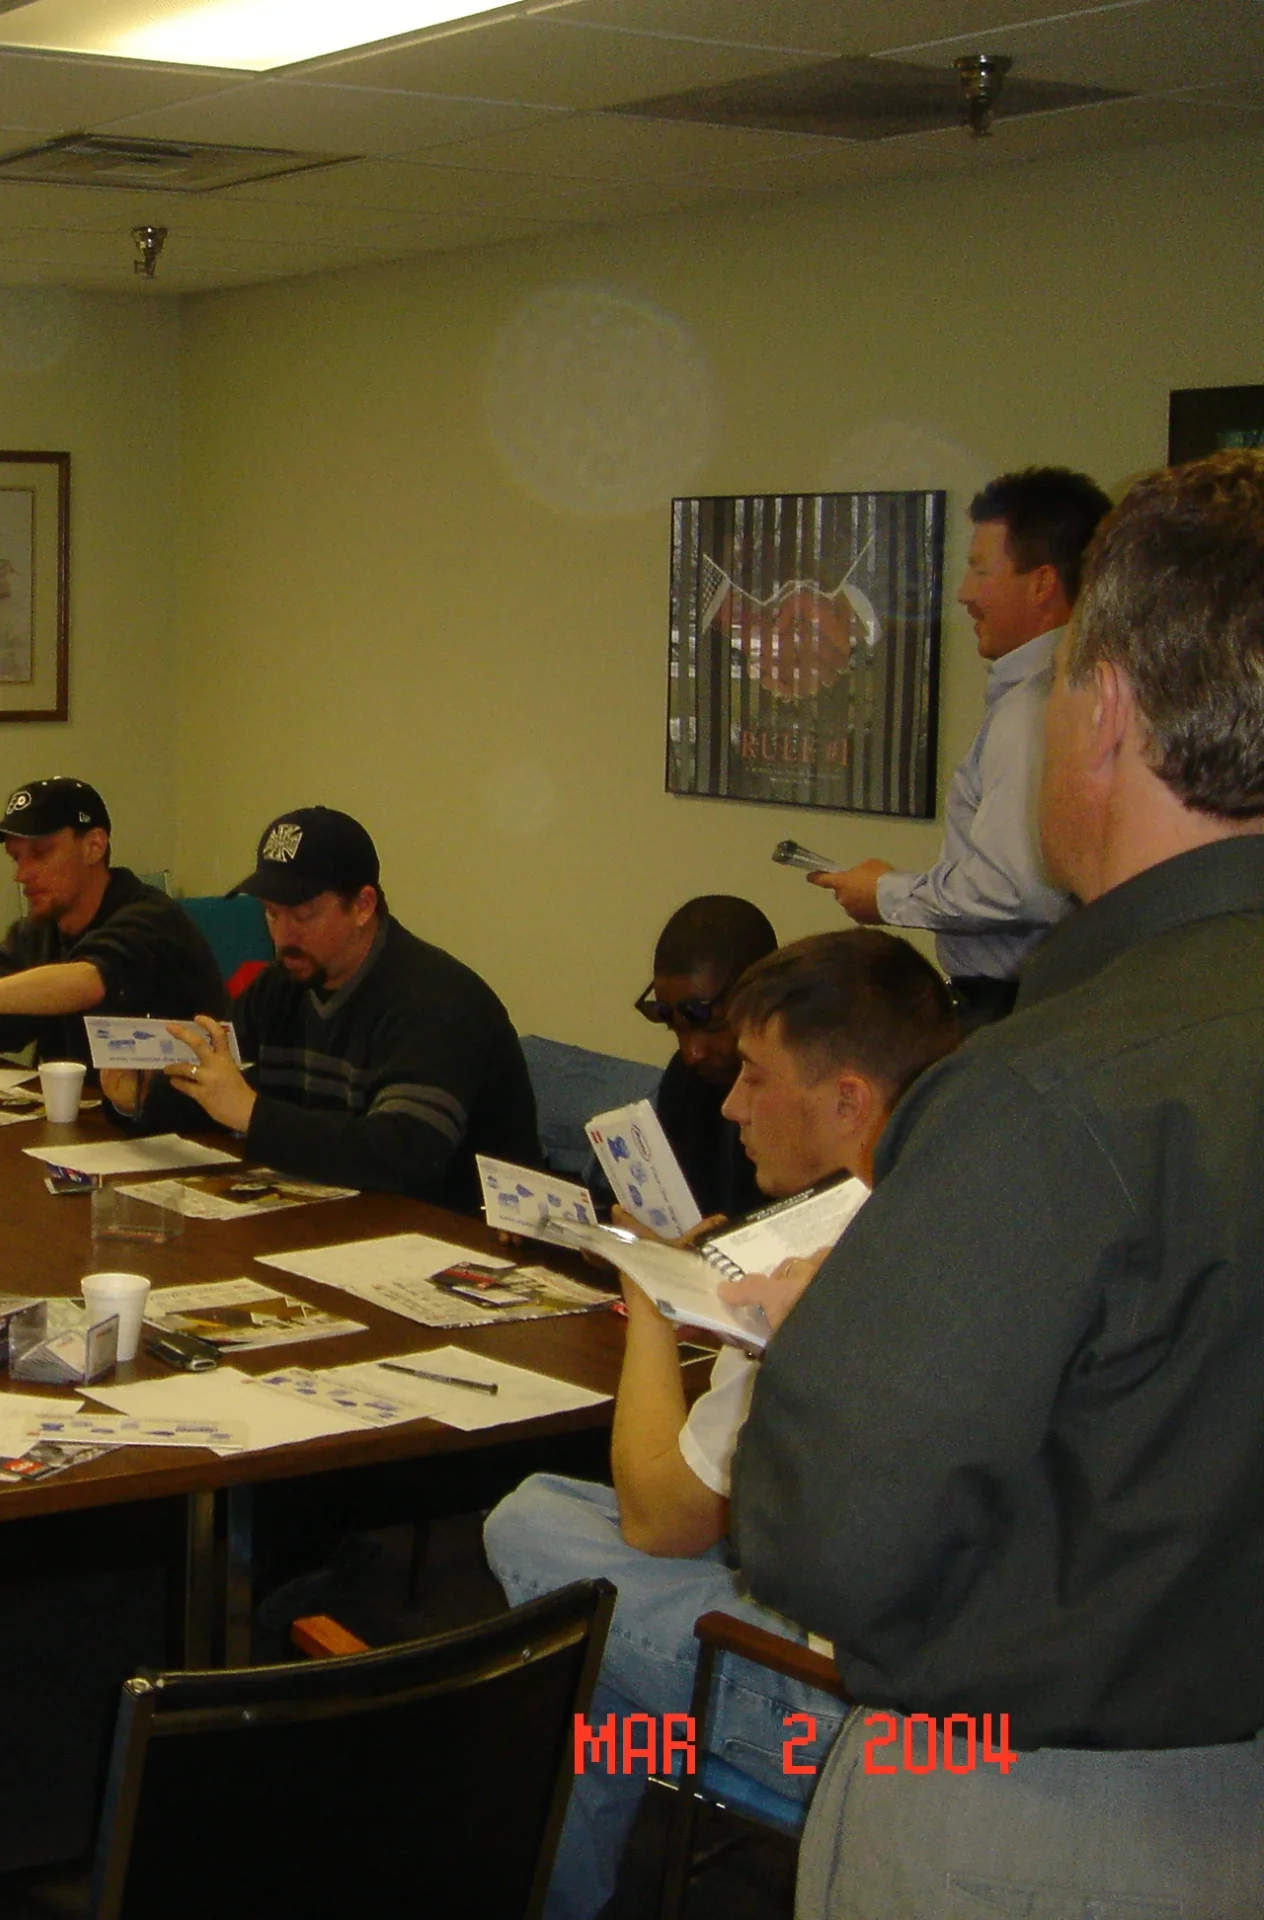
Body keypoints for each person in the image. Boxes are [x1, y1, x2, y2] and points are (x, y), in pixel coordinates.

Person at [735, 453, 1264, 1915]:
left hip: (1039, 1807)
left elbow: (824, 1539)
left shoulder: (1046, 1091)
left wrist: (843, 1324)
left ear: (1101, 711)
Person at [486, 928, 959, 1920]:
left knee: (534, 1539)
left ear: (847, 1101)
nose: (731, 1104)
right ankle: (558, 1896)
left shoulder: (817, 1269)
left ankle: (549, 1897)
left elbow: (666, 1520)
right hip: (959, 1674)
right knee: (589, 1642)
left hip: (845, 1718)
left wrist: (651, 1294)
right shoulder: (948, 1209)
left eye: (753, 1075)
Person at [100, 807, 536, 1207]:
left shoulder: (438, 1003)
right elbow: (215, 1095)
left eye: (303, 916)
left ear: (363, 906)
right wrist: (138, 1098)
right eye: (271, 914)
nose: (283, 935)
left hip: (449, 1234)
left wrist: (253, 1113)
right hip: (333, 1213)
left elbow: (406, 1153)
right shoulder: (282, 984)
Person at [811, 468, 1111, 1026]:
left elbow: (1017, 888)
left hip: (1014, 1008)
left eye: (979, 570)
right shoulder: (1075, 688)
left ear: (1042, 582)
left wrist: (887, 894)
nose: (964, 594)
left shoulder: (1035, 709)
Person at [0, 778, 225, 1070]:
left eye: (40, 854)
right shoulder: (37, 933)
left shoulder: (149, 916)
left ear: (93, 846)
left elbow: (87, 980)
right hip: (86, 1127)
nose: (21, 874)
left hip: (186, 1132)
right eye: (16, 858)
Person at [640, 895, 780, 1221]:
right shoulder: (686, 1080)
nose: (692, 1053)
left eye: (711, 1027)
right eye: (676, 1030)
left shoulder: (798, 1099)